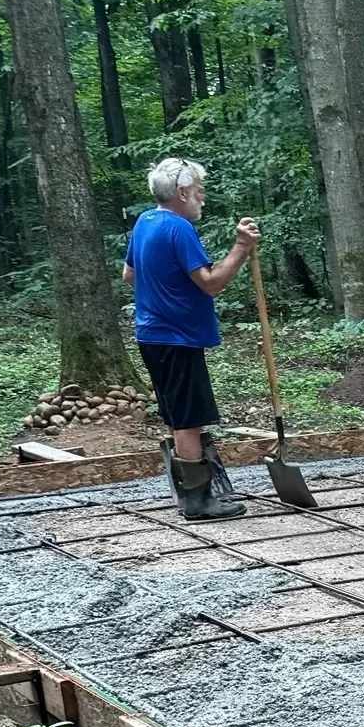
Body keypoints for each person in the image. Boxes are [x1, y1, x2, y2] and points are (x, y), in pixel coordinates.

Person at [124, 156, 260, 521]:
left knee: (175, 414)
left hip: (152, 334)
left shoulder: (144, 221)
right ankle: (198, 501)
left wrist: (161, 298)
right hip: (177, 338)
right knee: (188, 418)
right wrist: (241, 248)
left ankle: (190, 491)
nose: (202, 198)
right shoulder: (178, 228)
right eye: (199, 191)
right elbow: (211, 283)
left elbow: (128, 275)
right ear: (182, 192)